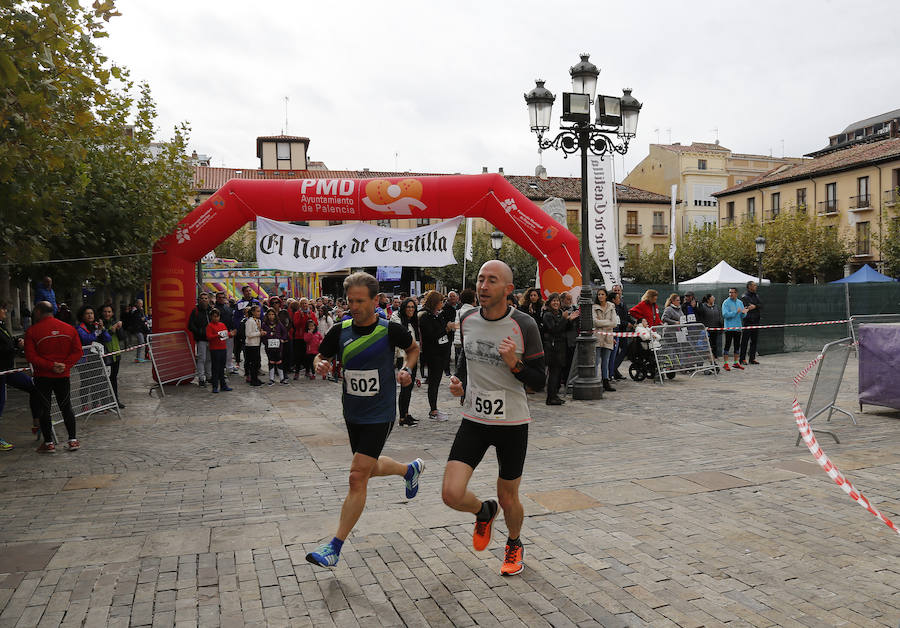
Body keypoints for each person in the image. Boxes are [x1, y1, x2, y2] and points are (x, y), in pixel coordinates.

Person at [306, 272, 422, 568]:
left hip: (381, 413)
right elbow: (320, 355)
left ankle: (334, 547)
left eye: (360, 301)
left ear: (375, 300)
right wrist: (320, 363)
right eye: (350, 301)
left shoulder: (389, 330)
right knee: (367, 468)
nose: (354, 306)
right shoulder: (341, 329)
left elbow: (413, 348)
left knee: (357, 475)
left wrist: (407, 370)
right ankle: (409, 470)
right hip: (353, 413)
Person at [445, 260, 545, 577]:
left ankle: (514, 543)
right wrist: (458, 381)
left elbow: (539, 380)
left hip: (511, 423)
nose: (483, 286)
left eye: (492, 280)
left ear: (508, 289)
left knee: (508, 495)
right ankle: (483, 510)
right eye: (480, 279)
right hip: (474, 419)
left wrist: (513, 363)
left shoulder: (525, 325)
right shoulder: (467, 318)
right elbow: (465, 358)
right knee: (451, 493)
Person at [25, 302, 83, 453]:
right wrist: (65, 365)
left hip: (43, 375)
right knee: (66, 406)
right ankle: (73, 440)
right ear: (53, 311)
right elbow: (78, 352)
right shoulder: (69, 329)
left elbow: (31, 356)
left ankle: (49, 443)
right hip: (63, 374)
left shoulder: (32, 331)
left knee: (45, 408)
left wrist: (51, 365)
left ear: (38, 312)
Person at [1, 301, 42, 449]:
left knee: (33, 387)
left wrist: (15, 342)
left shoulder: (1, 325)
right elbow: (4, 348)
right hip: (1, 371)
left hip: (8, 369)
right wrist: (15, 347)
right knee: (0, 403)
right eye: (3, 309)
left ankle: (37, 422)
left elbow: (7, 342)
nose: (5, 312)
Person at [418, 291, 453, 421]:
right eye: (441, 301)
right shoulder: (425, 316)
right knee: (433, 383)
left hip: (440, 353)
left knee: (436, 383)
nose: (442, 304)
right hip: (433, 354)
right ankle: (433, 410)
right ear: (435, 302)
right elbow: (431, 335)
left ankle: (434, 409)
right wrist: (446, 328)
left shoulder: (436, 315)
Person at [391, 297, 421, 427]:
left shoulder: (413, 322)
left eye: (413, 307)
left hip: (412, 358)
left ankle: (406, 413)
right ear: (403, 308)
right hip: (402, 357)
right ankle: (402, 417)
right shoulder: (397, 320)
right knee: (405, 387)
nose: (411, 310)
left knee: (409, 387)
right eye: (408, 307)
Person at [542, 292, 574, 405]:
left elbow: (565, 328)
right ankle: (551, 397)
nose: (556, 303)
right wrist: (565, 319)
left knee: (558, 373)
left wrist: (569, 320)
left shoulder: (560, 313)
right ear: (549, 303)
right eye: (553, 301)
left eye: (557, 301)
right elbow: (554, 329)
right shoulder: (547, 315)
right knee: (554, 373)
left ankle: (554, 395)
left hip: (561, 347)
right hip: (552, 347)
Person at [99, 304, 127, 408]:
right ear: (102, 313)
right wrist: (111, 329)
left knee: (113, 378)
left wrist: (119, 328)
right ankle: (104, 401)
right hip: (105, 356)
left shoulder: (115, 323)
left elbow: (122, 337)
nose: (107, 314)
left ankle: (115, 400)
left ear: (113, 313)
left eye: (109, 312)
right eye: (105, 311)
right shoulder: (99, 324)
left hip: (116, 354)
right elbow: (103, 338)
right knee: (104, 379)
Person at [592, 288, 619, 392]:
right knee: (597, 360)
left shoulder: (611, 306)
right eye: (599, 294)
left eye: (602, 294)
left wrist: (602, 322)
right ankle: (595, 381)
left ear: (606, 296)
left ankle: (605, 381)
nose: (600, 296)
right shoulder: (594, 307)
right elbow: (595, 322)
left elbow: (614, 323)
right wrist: (607, 322)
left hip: (608, 337)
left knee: (606, 360)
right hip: (598, 337)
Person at [205, 309, 234, 393]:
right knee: (215, 368)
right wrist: (217, 335)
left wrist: (230, 334)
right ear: (211, 317)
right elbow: (209, 337)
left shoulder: (222, 324)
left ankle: (223, 385)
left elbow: (225, 335)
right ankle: (215, 386)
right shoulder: (209, 326)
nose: (216, 318)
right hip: (215, 349)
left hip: (222, 348)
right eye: (215, 316)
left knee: (222, 368)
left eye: (217, 316)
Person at [187, 293, 213, 386]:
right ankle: (201, 378)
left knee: (209, 359)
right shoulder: (195, 311)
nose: (204, 300)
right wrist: (199, 332)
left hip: (211, 339)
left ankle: (209, 376)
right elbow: (190, 325)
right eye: (202, 298)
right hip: (201, 339)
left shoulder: (211, 310)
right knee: (202, 359)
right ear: (199, 300)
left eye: (206, 298)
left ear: (208, 299)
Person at [721, 287, 747, 372]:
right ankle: (725, 364)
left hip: (738, 327)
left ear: (736, 293)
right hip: (729, 328)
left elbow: (743, 316)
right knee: (727, 346)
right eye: (729, 292)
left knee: (737, 346)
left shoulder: (740, 302)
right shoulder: (726, 302)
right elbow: (725, 315)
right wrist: (736, 312)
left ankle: (736, 362)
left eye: (732, 292)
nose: (730, 294)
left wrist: (744, 313)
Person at [261, 308, 289, 385]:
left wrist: (282, 339)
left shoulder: (279, 324)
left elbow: (284, 332)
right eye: (269, 314)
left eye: (272, 314)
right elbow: (262, 335)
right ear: (267, 315)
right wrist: (265, 342)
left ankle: (282, 378)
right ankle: (271, 379)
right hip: (269, 346)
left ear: (275, 315)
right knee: (271, 361)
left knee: (279, 361)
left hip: (278, 346)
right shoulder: (264, 324)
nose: (271, 316)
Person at [291, 298, 317, 380]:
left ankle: (307, 371)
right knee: (298, 355)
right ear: (300, 305)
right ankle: (297, 372)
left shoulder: (311, 313)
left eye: (305, 303)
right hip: (299, 337)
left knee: (308, 356)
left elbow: (315, 324)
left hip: (308, 338)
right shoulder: (297, 313)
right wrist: (302, 317)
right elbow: (296, 324)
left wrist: (310, 318)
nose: (304, 305)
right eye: (302, 303)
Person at [214, 292, 237, 374]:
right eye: (219, 297)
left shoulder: (227, 307)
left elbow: (231, 319)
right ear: (216, 298)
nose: (221, 299)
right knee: (221, 351)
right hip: (220, 333)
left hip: (229, 331)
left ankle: (229, 366)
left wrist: (233, 329)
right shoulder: (214, 308)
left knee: (229, 351)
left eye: (223, 297)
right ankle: (222, 368)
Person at [740, 281, 762, 365]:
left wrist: (755, 306)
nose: (756, 287)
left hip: (756, 321)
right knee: (745, 341)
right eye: (754, 285)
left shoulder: (756, 295)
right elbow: (747, 306)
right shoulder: (744, 296)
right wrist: (753, 306)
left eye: (756, 285)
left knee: (754, 341)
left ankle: (752, 358)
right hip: (748, 321)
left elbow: (761, 305)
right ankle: (742, 359)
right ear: (749, 286)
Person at [696, 294, 723, 358]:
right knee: (707, 343)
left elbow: (719, 315)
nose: (714, 298)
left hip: (715, 328)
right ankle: (708, 356)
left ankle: (715, 355)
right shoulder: (703, 306)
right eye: (712, 297)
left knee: (714, 343)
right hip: (707, 328)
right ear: (708, 299)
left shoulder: (716, 306)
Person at [243, 304, 264, 386]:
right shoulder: (249, 321)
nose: (259, 313)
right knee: (253, 363)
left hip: (257, 344)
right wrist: (259, 333)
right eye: (257, 311)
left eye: (260, 311)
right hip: (251, 345)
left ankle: (256, 378)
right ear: (252, 312)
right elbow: (248, 334)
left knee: (257, 363)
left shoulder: (258, 321)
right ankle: (253, 380)